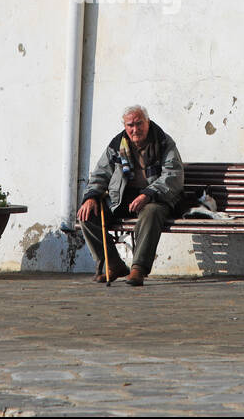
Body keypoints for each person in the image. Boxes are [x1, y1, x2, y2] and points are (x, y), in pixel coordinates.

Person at [77, 105, 184, 286]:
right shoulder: (117, 144)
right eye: (130, 125)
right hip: (122, 199)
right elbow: (100, 174)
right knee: (87, 215)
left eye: (139, 123)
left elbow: (173, 175)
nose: (135, 129)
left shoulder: (163, 142)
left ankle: (138, 269)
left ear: (147, 122)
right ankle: (113, 264)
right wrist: (90, 197)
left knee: (151, 213)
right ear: (125, 126)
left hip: (156, 198)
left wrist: (148, 194)